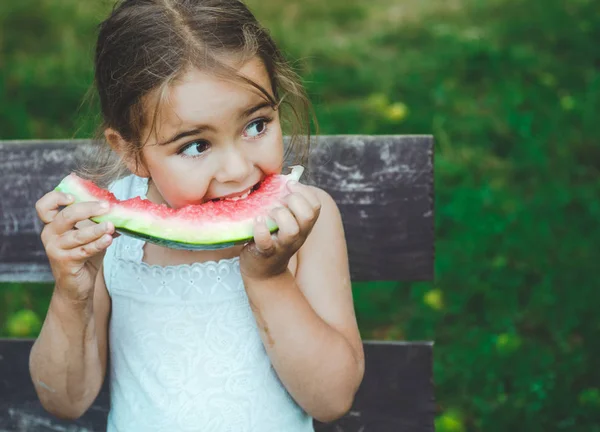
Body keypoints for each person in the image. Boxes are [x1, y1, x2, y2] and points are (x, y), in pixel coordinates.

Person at [29, 0, 364, 430]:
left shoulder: (308, 220)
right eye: (196, 146)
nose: (238, 170)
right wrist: (71, 293)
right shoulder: (107, 233)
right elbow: (66, 401)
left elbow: (332, 399)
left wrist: (269, 277)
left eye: (256, 125)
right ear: (130, 152)